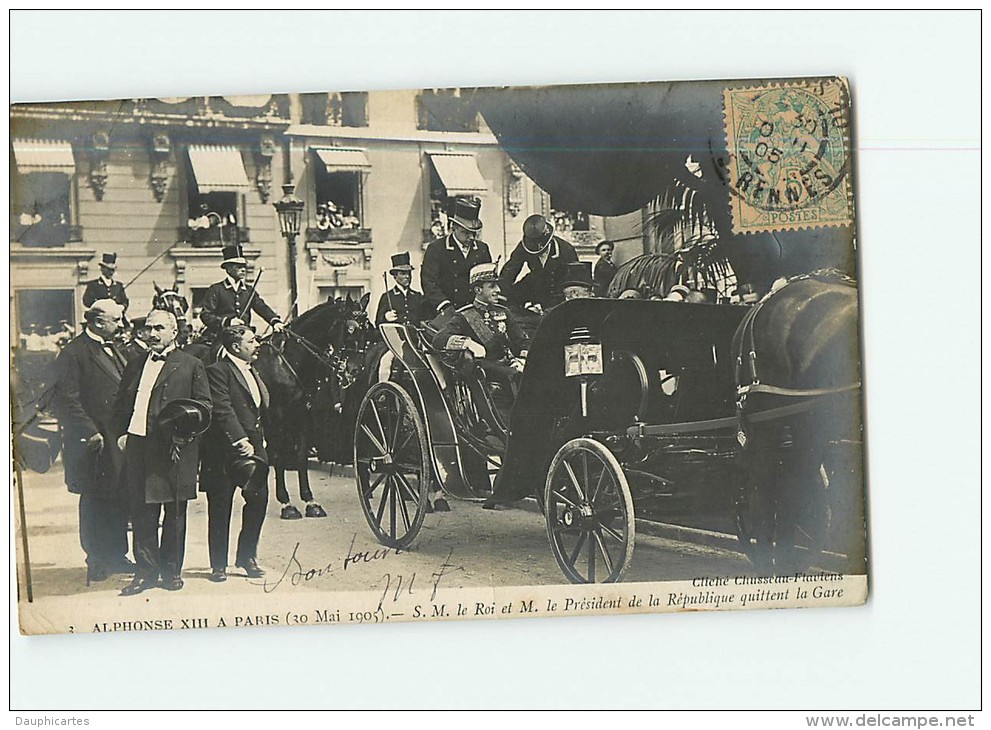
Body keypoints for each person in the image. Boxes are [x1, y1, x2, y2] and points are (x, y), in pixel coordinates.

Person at [113, 310, 212, 595]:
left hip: (174, 447)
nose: (152, 334)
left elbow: (205, 406)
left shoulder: (191, 365)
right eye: (148, 328)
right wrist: (122, 432)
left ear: (173, 332)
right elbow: (122, 403)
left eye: (159, 328)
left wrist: (183, 432)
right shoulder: (135, 364)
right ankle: (145, 573)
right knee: (142, 511)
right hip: (139, 445)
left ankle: (171, 572)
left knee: (175, 511)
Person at [49, 299, 133, 585]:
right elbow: (66, 398)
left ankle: (118, 554)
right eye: (117, 320)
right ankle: (96, 559)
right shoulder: (73, 353)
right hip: (93, 442)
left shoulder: (116, 350)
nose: (122, 324)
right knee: (95, 500)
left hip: (116, 440)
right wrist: (90, 431)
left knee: (119, 494)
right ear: (99, 322)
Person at [202, 326, 270, 583]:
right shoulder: (217, 371)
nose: (256, 344)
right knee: (220, 505)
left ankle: (246, 556)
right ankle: (218, 564)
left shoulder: (253, 371)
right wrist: (239, 438)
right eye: (251, 341)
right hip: (224, 450)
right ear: (235, 347)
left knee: (259, 499)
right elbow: (222, 408)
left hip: (255, 447)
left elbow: (260, 408)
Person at [421, 196, 492, 316]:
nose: (471, 237)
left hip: (475, 311)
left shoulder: (482, 249)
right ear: (454, 228)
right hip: (445, 310)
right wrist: (444, 305)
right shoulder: (437, 248)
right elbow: (429, 282)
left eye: (474, 233)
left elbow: (487, 281)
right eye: (466, 233)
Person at [200, 244, 284, 340]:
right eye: (238, 267)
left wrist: (275, 321)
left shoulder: (248, 290)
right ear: (228, 269)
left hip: (245, 335)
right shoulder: (216, 289)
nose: (243, 269)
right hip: (221, 336)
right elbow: (205, 315)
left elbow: (261, 307)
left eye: (244, 266)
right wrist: (228, 322)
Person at [499, 214, 578, 313]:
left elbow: (576, 279)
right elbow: (511, 269)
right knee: (510, 300)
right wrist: (501, 291)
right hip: (536, 285)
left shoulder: (566, 249)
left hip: (558, 291)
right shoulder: (524, 246)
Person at [375, 252, 425, 326]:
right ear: (395, 276)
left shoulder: (417, 296)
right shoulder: (387, 296)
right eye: (403, 274)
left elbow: (425, 318)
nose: (407, 276)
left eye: (409, 273)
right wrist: (385, 317)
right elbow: (378, 323)